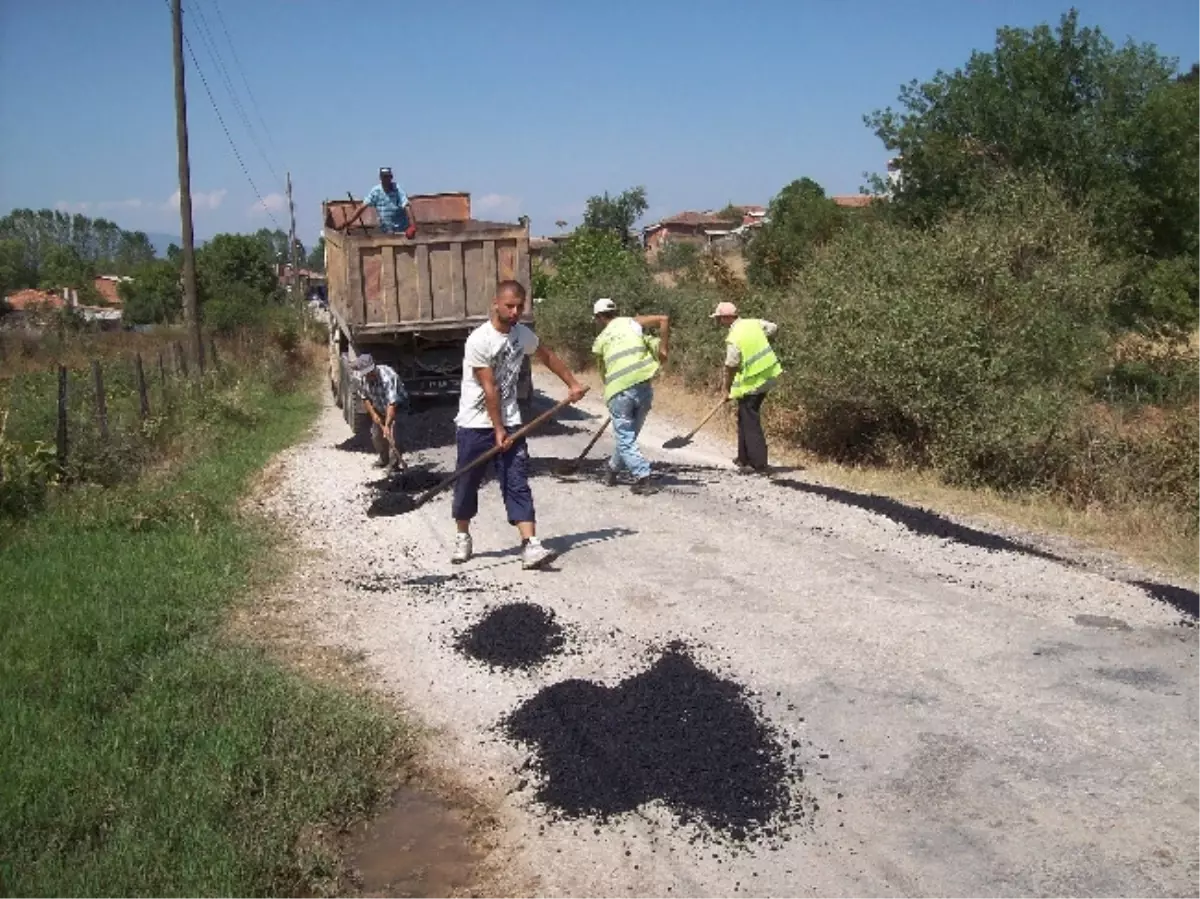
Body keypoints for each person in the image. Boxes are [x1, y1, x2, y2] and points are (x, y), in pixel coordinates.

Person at [451, 280, 587, 569]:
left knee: (517, 481)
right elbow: (490, 389)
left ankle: (530, 545)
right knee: (467, 483)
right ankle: (463, 536)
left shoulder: (522, 335)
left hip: (511, 422)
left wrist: (572, 383)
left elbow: (547, 355)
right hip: (475, 425)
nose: (515, 312)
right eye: (509, 306)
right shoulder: (479, 340)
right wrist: (497, 430)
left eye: (520, 307)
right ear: (496, 304)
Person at [590, 298, 669, 494]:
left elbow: (603, 371)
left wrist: (612, 392)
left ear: (599, 318)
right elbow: (663, 320)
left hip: (619, 392)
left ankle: (643, 477)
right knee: (629, 437)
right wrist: (664, 348)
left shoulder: (600, 340)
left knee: (626, 438)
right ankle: (612, 469)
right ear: (615, 311)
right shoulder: (632, 324)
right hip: (643, 388)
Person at [711, 301, 782, 473]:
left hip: (754, 382)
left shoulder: (734, 337)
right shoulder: (754, 323)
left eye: (720, 318)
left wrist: (726, 388)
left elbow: (731, 365)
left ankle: (759, 464)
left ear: (728, 317)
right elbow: (773, 328)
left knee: (750, 419)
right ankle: (743, 458)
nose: (718, 322)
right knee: (744, 415)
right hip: (768, 375)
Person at [350, 353, 408, 471]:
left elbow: (392, 404)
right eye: (366, 373)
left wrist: (387, 426)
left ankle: (394, 464)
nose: (369, 375)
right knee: (376, 435)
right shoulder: (362, 378)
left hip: (398, 407)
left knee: (394, 434)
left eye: (370, 372)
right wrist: (374, 414)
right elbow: (365, 398)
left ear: (374, 366)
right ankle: (383, 459)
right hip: (379, 407)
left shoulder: (387, 377)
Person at [340, 167, 417, 237]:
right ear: (380, 178)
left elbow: (407, 206)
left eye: (387, 177)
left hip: (401, 231)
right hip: (386, 231)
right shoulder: (376, 191)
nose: (386, 180)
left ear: (391, 177)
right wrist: (349, 221)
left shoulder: (397, 189)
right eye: (384, 177)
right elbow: (362, 207)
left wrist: (412, 226)